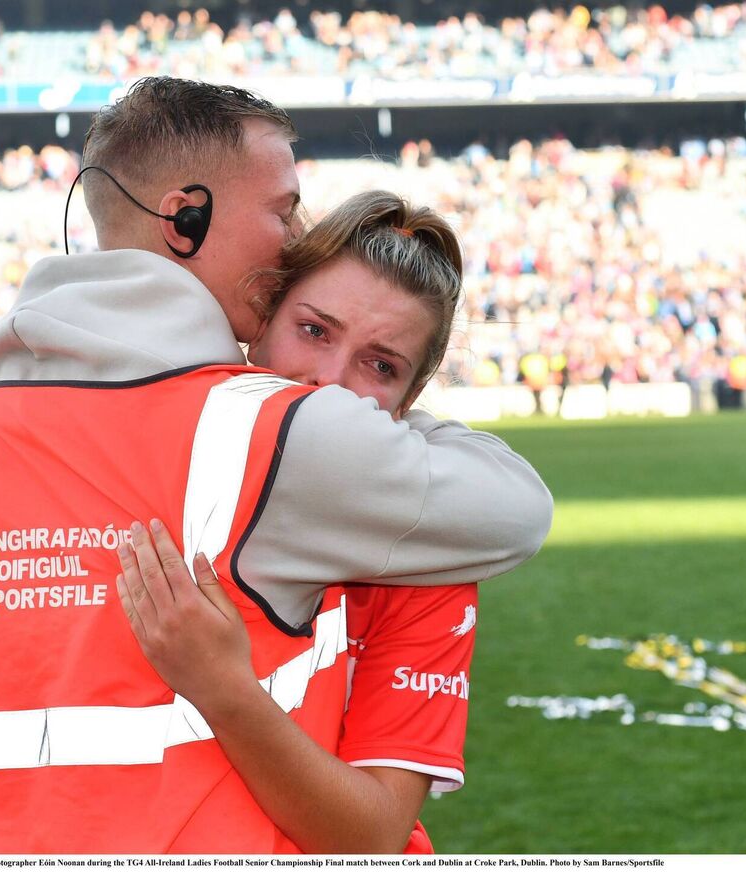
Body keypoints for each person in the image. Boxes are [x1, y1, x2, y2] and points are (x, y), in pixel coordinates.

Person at [0, 78, 552, 853]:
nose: (295, 235)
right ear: (185, 218)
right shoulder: (277, 434)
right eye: (281, 208)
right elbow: (518, 510)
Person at [115, 192, 477, 853]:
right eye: (314, 330)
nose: (328, 383)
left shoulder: (428, 554)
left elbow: (369, 835)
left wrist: (224, 690)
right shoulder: (160, 469)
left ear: (409, 399)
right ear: (260, 321)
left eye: (380, 365)